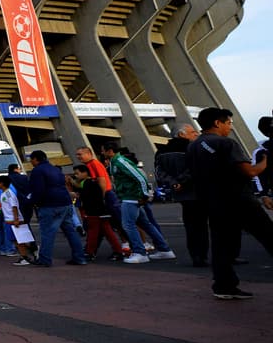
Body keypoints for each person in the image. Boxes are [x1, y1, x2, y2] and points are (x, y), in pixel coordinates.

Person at [188, 107, 271, 299]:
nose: (230, 128)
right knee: (267, 234)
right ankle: (226, 285)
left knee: (221, 245)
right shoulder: (225, 143)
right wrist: (265, 162)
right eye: (228, 123)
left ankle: (224, 285)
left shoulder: (193, 146)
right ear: (218, 123)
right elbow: (249, 171)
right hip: (238, 199)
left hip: (213, 201)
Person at [102, 142, 175, 263]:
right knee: (145, 224)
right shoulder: (115, 162)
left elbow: (139, 176)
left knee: (128, 225)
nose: (102, 153)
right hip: (130, 196)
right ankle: (164, 250)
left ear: (110, 151)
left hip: (131, 197)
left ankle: (140, 252)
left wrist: (145, 194)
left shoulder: (120, 161)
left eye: (103, 150)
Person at [24, 151, 87, 267]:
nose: (31, 162)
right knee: (70, 231)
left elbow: (38, 190)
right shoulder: (55, 169)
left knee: (47, 233)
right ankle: (80, 257)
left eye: (32, 160)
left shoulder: (37, 171)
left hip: (49, 204)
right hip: (65, 202)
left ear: (36, 159)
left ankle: (45, 259)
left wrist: (31, 202)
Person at [156, 126, 207, 266]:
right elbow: (194, 169)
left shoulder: (161, 151)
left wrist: (173, 183)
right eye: (192, 132)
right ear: (181, 134)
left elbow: (159, 172)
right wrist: (182, 181)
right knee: (201, 226)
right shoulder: (192, 148)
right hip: (197, 191)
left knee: (190, 226)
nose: (196, 134)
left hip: (181, 194)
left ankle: (195, 255)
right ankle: (202, 255)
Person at [71, 164, 123, 260]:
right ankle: (118, 251)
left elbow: (85, 197)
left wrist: (77, 195)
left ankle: (89, 252)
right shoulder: (92, 182)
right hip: (102, 211)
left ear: (85, 173)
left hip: (93, 212)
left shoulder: (87, 184)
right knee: (108, 233)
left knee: (93, 233)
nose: (76, 176)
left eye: (77, 173)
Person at [0, 178, 36, 264]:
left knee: (18, 240)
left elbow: (14, 206)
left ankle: (26, 256)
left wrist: (16, 219)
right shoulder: (4, 193)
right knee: (15, 240)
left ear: (2, 183)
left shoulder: (9, 194)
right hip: (9, 220)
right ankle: (28, 253)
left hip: (13, 220)